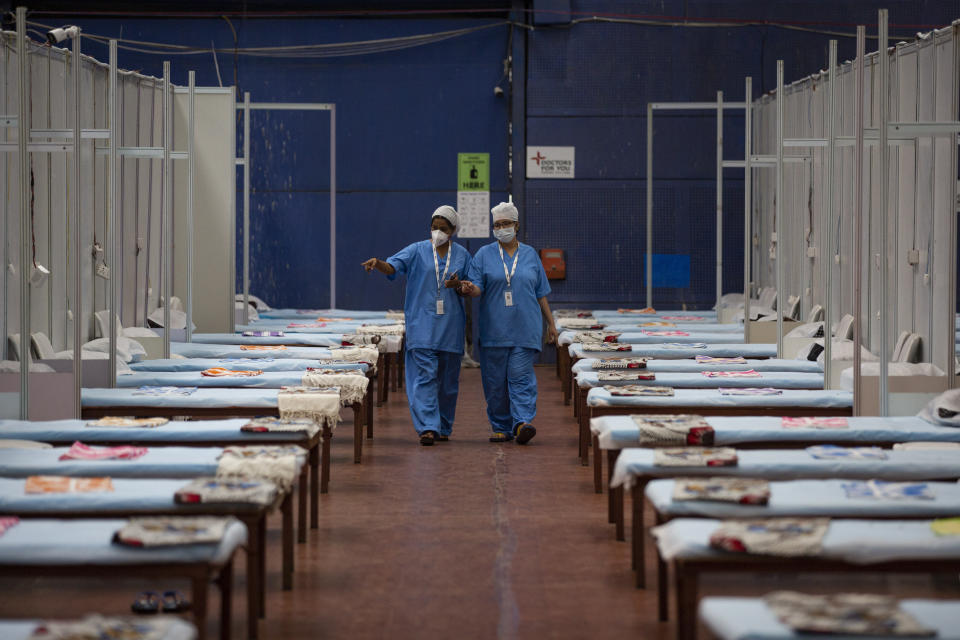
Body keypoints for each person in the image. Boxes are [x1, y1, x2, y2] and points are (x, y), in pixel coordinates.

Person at [362, 206, 472, 446]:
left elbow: (470, 286)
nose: (438, 232)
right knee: (424, 377)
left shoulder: (463, 255)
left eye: (443, 229)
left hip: (450, 327)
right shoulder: (416, 250)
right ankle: (428, 427)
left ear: (453, 231)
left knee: (448, 382)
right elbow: (393, 267)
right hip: (421, 325)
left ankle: (443, 426)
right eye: (434, 228)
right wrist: (378, 263)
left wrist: (459, 285)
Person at [458, 201, 558, 444]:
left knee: (520, 376)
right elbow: (476, 287)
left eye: (506, 224)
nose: (501, 228)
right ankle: (501, 426)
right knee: (494, 382)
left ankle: (522, 422)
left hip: (526, 328)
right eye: (497, 225)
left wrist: (551, 325)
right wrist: (469, 288)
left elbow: (540, 293)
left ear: (516, 225)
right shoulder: (483, 255)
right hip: (494, 330)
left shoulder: (531, 254)